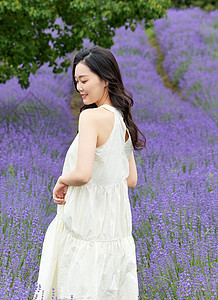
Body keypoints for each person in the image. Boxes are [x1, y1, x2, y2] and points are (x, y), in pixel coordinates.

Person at [33, 46, 146, 300]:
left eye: (84, 80)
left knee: (79, 286)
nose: (79, 87)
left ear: (105, 78)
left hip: (86, 223)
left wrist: (62, 180)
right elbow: (131, 179)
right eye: (76, 81)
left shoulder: (91, 117)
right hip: (114, 227)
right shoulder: (122, 119)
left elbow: (82, 174)